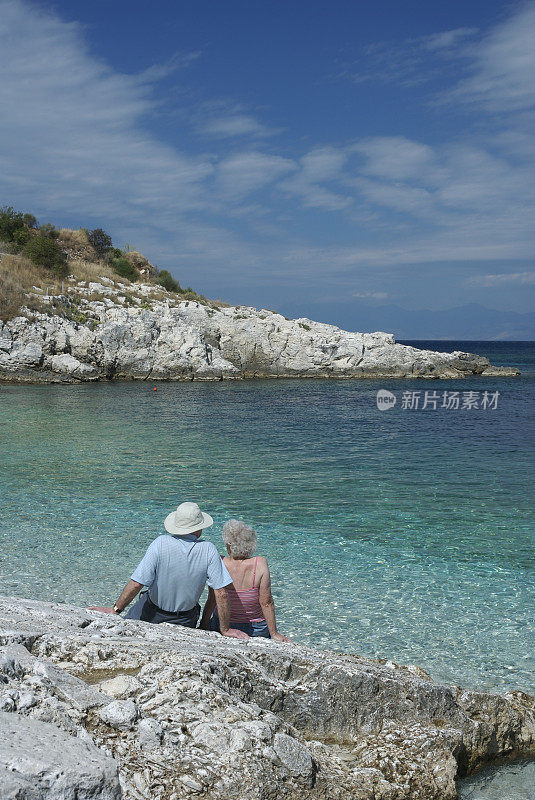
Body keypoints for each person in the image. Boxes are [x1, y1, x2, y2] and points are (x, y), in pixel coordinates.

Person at [88, 502, 248, 639]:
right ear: (199, 529)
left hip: (151, 614)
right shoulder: (209, 550)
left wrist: (115, 610)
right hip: (185, 619)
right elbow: (221, 593)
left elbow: (137, 583)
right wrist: (224, 629)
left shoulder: (160, 543)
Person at [199, 519, 291, 642]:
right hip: (256, 628)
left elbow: (213, 599)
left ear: (228, 545)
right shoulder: (260, 563)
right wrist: (274, 633)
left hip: (221, 625)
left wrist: (204, 623)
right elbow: (266, 602)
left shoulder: (219, 562)